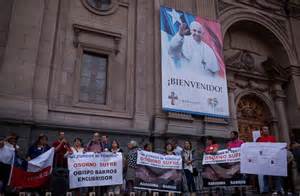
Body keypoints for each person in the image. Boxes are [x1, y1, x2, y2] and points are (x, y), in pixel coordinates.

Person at [256, 126, 283, 194]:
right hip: (264, 160)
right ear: (261, 131)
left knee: (276, 175)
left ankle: (278, 189)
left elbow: (275, 148)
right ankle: (266, 190)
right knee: (265, 176)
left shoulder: (272, 138)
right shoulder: (259, 139)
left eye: (267, 129)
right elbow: (257, 149)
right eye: (265, 129)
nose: (266, 130)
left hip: (273, 159)